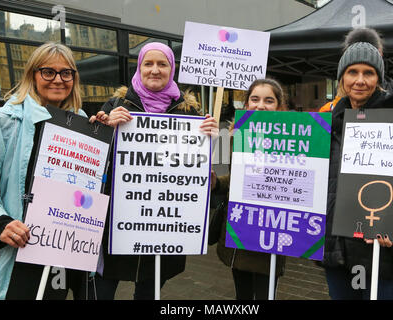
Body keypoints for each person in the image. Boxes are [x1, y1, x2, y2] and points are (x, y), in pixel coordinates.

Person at [88, 42, 218, 300]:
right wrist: (105, 129)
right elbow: (91, 158)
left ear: (172, 69)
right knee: (102, 290)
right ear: (139, 67)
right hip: (117, 223)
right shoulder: (116, 104)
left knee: (149, 290)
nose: (155, 70)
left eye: (162, 64)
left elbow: (194, 172)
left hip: (163, 225)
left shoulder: (189, 111)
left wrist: (210, 142)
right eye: (148, 63)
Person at [321, 41, 393, 300]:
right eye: (352, 72)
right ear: (341, 78)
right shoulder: (329, 123)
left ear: (378, 78)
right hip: (338, 250)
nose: (360, 80)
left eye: (368, 73)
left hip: (383, 252)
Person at [0, 42, 89, 299]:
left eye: (66, 73)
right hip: (14, 255)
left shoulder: (83, 123)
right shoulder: (3, 120)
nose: (58, 80)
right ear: (33, 74)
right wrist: (1, 223)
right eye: (48, 72)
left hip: (60, 254)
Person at [210, 78, 288, 300]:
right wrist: (217, 183)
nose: (260, 105)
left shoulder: (296, 137)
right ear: (246, 104)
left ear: (279, 106)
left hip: (272, 230)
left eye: (268, 100)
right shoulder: (237, 135)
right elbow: (237, 179)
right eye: (254, 99)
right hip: (241, 230)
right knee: (242, 296)